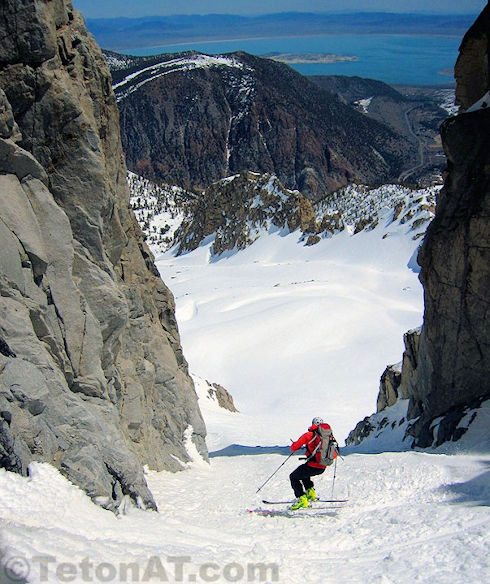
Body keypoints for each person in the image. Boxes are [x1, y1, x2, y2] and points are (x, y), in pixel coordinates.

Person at [289, 416, 336, 510]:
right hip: (323, 466)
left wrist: (295, 444)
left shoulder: (309, 435)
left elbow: (294, 447)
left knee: (293, 476)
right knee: (304, 473)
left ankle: (301, 499)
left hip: (313, 465)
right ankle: (310, 493)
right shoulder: (328, 436)